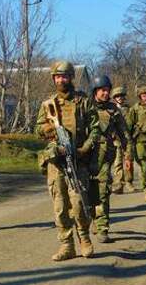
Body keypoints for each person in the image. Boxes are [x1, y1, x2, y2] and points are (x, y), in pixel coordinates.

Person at [35, 61, 100, 261]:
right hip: (56, 162)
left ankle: (84, 238)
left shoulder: (84, 101)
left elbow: (96, 129)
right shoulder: (48, 104)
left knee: (79, 203)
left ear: (71, 77)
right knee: (60, 207)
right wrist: (50, 130)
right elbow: (38, 130)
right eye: (57, 77)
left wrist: (84, 149)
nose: (61, 80)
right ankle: (66, 245)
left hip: (78, 160)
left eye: (65, 76)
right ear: (54, 79)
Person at [88, 76, 133, 243]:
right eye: (102, 90)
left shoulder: (114, 111)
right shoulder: (85, 108)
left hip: (105, 155)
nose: (106, 93)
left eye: (108, 90)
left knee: (103, 191)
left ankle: (102, 227)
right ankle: (92, 219)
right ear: (95, 91)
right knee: (86, 192)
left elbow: (125, 136)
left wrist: (128, 156)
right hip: (84, 155)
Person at [111, 86, 135, 194]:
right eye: (117, 96)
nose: (120, 98)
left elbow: (134, 123)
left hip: (127, 138)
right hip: (116, 140)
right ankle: (118, 184)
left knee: (128, 161)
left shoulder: (130, 109)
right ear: (114, 98)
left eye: (121, 96)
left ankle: (129, 182)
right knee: (117, 163)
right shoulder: (111, 110)